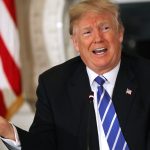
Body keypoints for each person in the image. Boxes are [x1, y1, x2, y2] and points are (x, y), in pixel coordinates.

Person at [0, 0, 150, 149]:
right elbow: (43, 145)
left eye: (105, 28)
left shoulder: (145, 76)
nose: (98, 38)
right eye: (87, 32)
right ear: (76, 43)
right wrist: (7, 130)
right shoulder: (54, 84)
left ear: (120, 34)